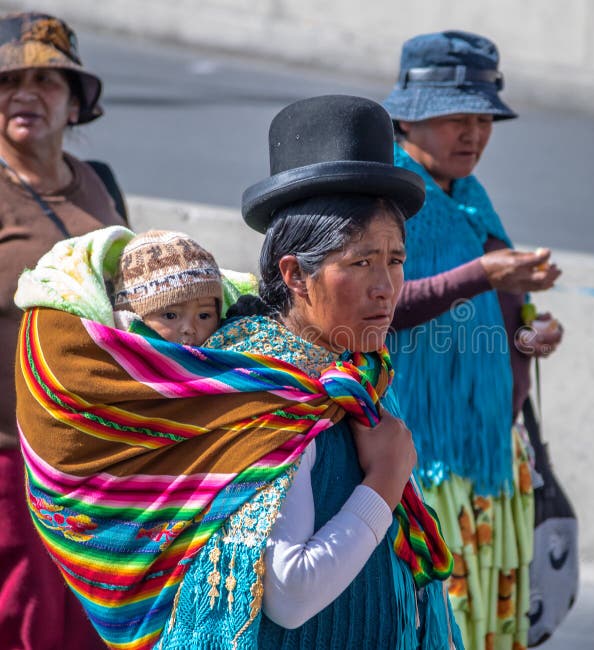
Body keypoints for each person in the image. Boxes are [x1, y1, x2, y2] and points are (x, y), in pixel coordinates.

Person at [15, 95, 463, 649]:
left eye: (394, 260)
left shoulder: (353, 375)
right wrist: (385, 481)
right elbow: (291, 593)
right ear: (296, 275)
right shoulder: (266, 393)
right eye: (361, 262)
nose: (385, 287)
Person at [383, 31, 565, 650]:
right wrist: (481, 275)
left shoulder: (472, 197)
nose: (475, 134)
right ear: (409, 114)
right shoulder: (385, 195)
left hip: (489, 461)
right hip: (421, 464)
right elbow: (377, 309)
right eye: (456, 117)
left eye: (484, 117)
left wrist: (533, 333)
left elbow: (507, 310)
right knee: (435, 625)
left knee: (486, 625)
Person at [0, 11, 126, 650]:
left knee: (91, 624)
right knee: (23, 620)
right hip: (9, 455)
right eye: (10, 79)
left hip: (96, 454)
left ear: (76, 103)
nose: (27, 92)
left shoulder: (100, 185)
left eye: (48, 80)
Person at [111, 230, 224, 346]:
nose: (189, 329)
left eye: (204, 316)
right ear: (132, 318)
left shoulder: (229, 351)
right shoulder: (109, 360)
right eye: (170, 315)